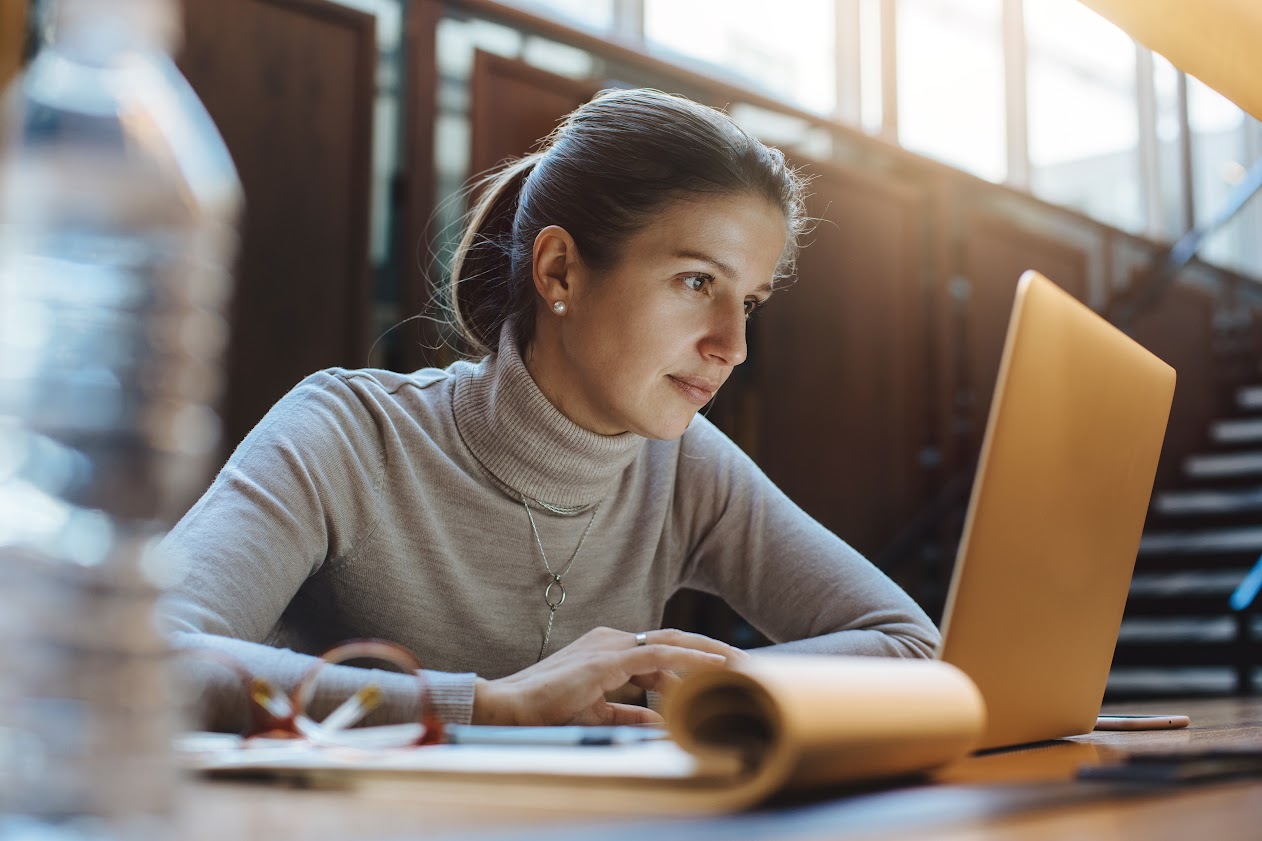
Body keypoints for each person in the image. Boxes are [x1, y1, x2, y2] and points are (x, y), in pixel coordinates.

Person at [160, 88, 939, 733]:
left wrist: (718, 679)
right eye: (698, 282)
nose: (733, 345)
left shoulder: (682, 465)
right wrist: (487, 704)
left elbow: (910, 646)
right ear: (560, 270)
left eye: (750, 301)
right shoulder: (347, 434)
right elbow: (148, 657)